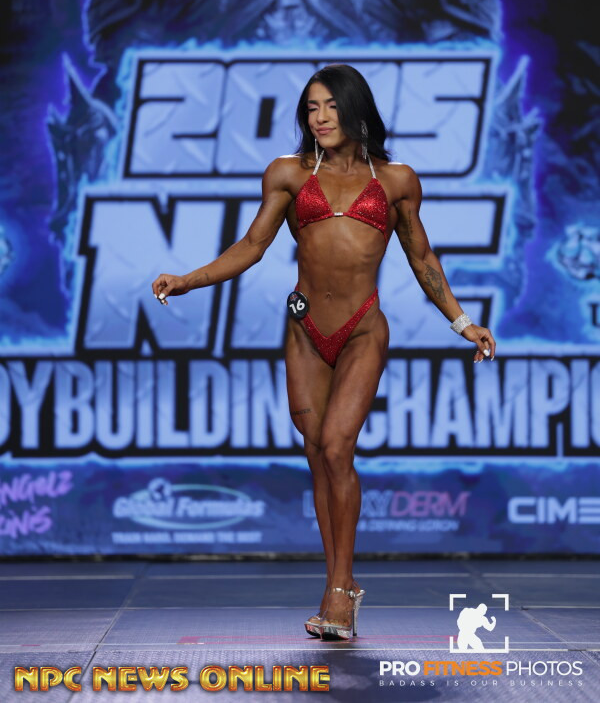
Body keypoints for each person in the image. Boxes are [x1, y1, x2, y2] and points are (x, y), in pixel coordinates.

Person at [151, 63, 496, 641]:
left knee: (338, 447)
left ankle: (339, 590)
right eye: (311, 108)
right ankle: (341, 582)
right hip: (305, 328)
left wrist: (462, 322)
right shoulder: (287, 173)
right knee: (319, 455)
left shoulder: (396, 181)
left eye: (331, 105)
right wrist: (188, 280)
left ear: (356, 110)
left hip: (363, 330)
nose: (320, 117)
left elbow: (422, 259)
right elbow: (252, 245)